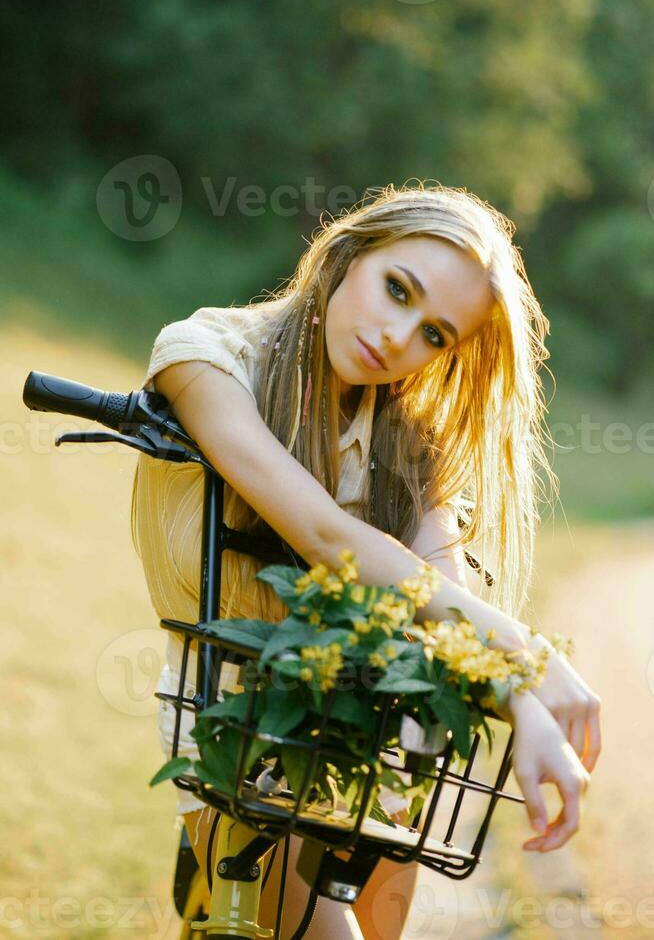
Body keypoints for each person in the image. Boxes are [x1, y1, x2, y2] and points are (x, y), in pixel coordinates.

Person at [131, 181, 601, 940]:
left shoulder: (409, 441)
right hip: (234, 728)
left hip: (369, 737)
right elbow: (325, 536)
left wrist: (518, 698)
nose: (396, 336)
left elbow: (442, 597)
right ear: (351, 252)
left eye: (434, 334)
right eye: (396, 289)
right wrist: (524, 653)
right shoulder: (207, 358)